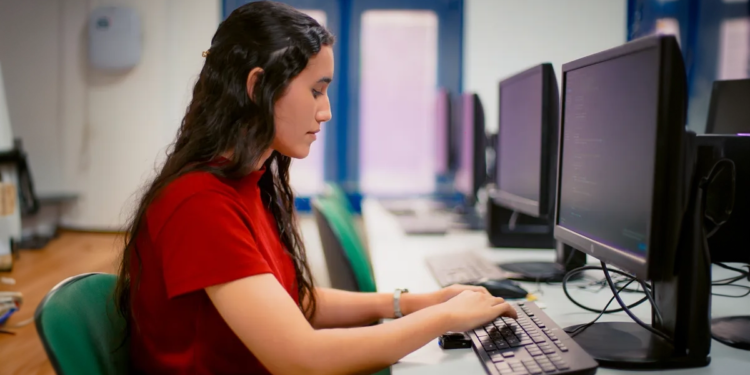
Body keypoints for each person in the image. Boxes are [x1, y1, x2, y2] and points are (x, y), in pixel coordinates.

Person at [113, 1, 517, 374]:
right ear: (257, 87)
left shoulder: (243, 184)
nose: (324, 112)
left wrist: (416, 303)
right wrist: (446, 318)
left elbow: (292, 301)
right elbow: (302, 359)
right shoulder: (199, 204)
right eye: (315, 91)